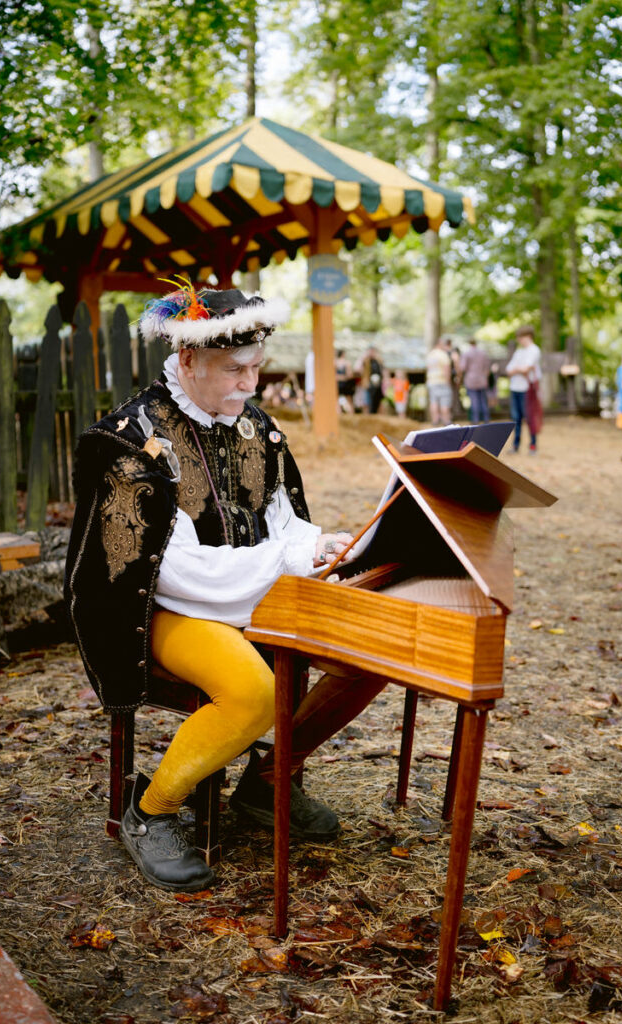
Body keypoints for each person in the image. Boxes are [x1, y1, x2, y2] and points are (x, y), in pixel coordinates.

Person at [65, 284, 388, 893]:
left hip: (246, 592)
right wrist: (288, 564)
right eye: (233, 370)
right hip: (156, 608)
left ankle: (268, 782)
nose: (249, 385)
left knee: (369, 651)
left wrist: (320, 548)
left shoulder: (255, 429)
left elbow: (285, 525)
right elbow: (177, 573)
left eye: (257, 369)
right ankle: (151, 810)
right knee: (252, 692)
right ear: (187, 360)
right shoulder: (132, 441)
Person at [505, 325, 542, 453]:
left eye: (521, 337)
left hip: (527, 389)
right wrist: (519, 370)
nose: (519, 340)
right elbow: (509, 370)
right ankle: (516, 444)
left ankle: (533, 444)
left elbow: (526, 368)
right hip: (515, 387)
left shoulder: (534, 350)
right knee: (516, 418)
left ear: (528, 336)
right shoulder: (519, 352)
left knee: (529, 417)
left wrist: (518, 369)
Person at [459, 338, 491, 424]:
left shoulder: (466, 354)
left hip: (471, 379)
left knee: (474, 401)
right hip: (482, 379)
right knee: (483, 400)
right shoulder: (483, 353)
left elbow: (462, 367)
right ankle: (486, 419)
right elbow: (487, 368)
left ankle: (475, 420)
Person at [425, 337, 453, 426]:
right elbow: (446, 369)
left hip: (431, 381)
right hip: (442, 381)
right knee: (444, 402)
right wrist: (448, 381)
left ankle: (435, 420)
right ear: (439, 344)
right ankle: (446, 421)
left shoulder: (430, 355)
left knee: (434, 402)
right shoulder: (443, 355)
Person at [357, 346, 384, 414]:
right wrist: (363, 358)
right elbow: (357, 369)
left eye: (373, 351)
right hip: (368, 385)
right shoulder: (365, 361)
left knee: (377, 403)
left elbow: (383, 371)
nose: (372, 353)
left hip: (377, 386)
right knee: (367, 403)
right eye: (370, 351)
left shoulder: (378, 361)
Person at [335, 348, 356, 414]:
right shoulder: (347, 363)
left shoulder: (335, 362)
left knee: (336, 400)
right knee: (349, 400)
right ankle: (351, 414)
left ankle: (339, 414)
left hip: (338, 384)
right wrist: (344, 377)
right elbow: (350, 375)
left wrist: (339, 377)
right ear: (343, 354)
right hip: (345, 384)